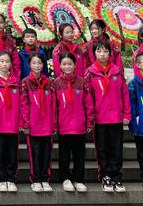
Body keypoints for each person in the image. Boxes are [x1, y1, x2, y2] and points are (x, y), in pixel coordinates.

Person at [85, 41, 130, 192]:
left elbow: (124, 95)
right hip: (100, 118)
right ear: (94, 54)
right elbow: (88, 98)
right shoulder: (90, 73)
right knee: (102, 149)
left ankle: (117, 176)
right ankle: (106, 176)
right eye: (99, 51)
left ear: (110, 53)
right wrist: (90, 119)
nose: (102, 54)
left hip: (116, 117)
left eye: (105, 51)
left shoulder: (117, 71)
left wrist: (126, 114)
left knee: (116, 148)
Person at [54, 52, 93, 193]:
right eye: (64, 64)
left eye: (70, 63)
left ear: (75, 65)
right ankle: (65, 178)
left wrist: (89, 122)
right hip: (64, 125)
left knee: (79, 154)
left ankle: (79, 179)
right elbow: (54, 106)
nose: (67, 66)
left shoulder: (82, 82)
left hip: (79, 125)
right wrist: (55, 123)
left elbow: (88, 103)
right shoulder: (56, 83)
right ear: (60, 66)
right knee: (64, 154)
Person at [21, 53, 56, 192]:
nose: (37, 66)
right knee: (34, 152)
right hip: (33, 125)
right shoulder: (25, 82)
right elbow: (24, 105)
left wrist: (53, 123)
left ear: (43, 65)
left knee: (46, 152)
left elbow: (53, 104)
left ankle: (44, 178)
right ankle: (35, 179)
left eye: (39, 63)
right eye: (34, 63)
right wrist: (26, 124)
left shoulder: (49, 83)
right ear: (29, 65)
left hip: (47, 124)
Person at [0, 51, 20, 192]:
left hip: (13, 122)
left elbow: (21, 103)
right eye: (2, 61)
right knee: (0, 151)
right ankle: (2, 178)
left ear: (11, 64)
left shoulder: (16, 81)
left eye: (7, 61)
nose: (5, 64)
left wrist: (20, 122)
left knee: (12, 151)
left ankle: (11, 178)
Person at [128, 52, 143, 183]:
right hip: (140, 125)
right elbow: (131, 105)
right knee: (141, 152)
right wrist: (133, 122)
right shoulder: (134, 84)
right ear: (138, 65)